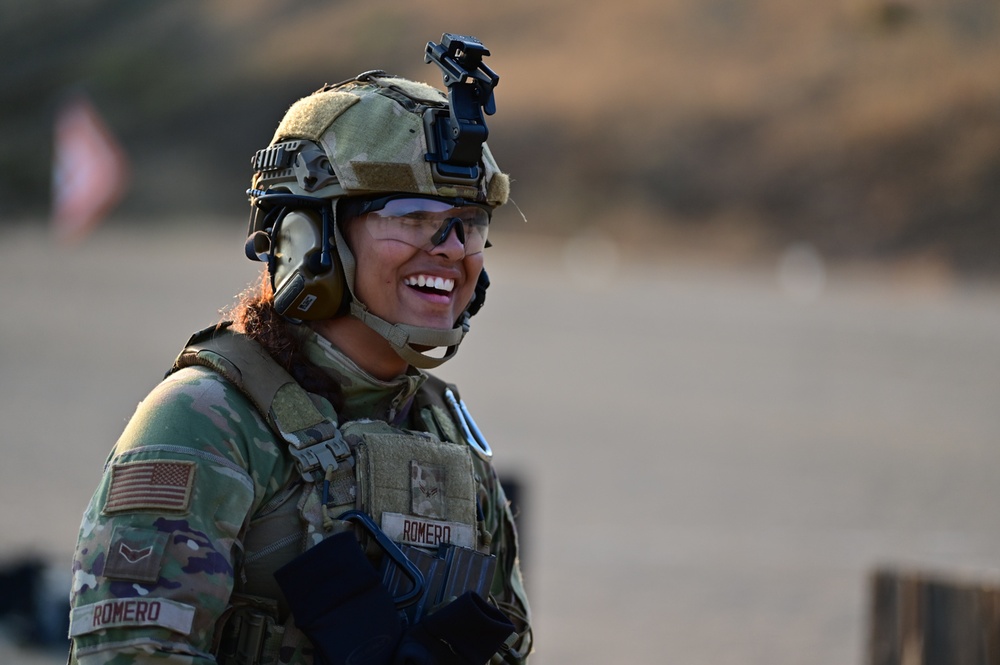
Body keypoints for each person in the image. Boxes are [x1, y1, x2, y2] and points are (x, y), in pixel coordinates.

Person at [67, 35, 532, 665]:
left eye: (468, 222)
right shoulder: (207, 422)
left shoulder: (449, 433)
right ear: (308, 236)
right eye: (411, 215)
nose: (451, 247)